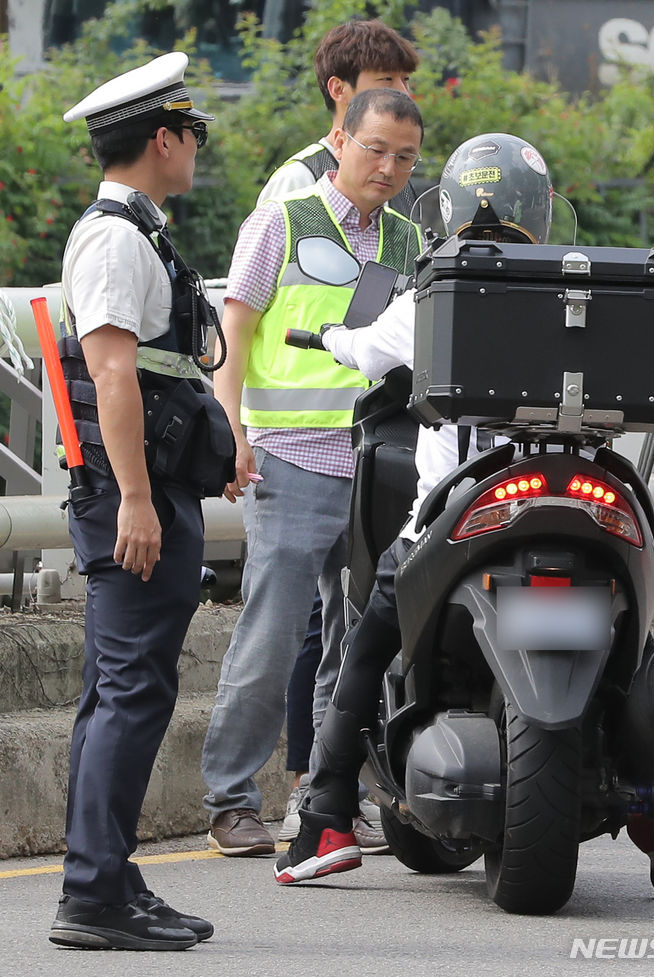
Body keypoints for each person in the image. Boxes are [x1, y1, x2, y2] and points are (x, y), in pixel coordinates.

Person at [273, 133, 654, 901]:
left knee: (367, 638)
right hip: (589, 498)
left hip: (468, 506)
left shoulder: (435, 287)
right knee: (633, 646)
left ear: (450, 203)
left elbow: (366, 352)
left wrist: (331, 335)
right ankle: (651, 800)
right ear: (537, 211)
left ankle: (327, 819)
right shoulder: (599, 292)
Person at [201, 87, 424, 858]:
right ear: (339, 138)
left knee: (359, 644)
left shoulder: (409, 240)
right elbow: (231, 334)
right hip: (290, 458)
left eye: (404, 156)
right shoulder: (282, 221)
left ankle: (326, 793)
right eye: (374, 149)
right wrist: (230, 430)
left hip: (379, 465)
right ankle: (230, 798)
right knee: (271, 635)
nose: (388, 167)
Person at [49, 52, 235, 950]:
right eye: (191, 133)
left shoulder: (136, 228)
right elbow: (114, 373)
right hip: (134, 494)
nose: (197, 147)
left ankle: (111, 877)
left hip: (153, 486)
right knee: (130, 693)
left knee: (119, 692)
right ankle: (92, 894)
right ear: (162, 138)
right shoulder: (117, 240)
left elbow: (160, 374)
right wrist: (134, 500)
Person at [257, 17, 420, 847]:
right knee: (308, 626)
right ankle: (297, 787)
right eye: (386, 85)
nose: (400, 110)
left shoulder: (399, 208)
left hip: (367, 438)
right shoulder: (294, 188)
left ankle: (333, 787)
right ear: (341, 97)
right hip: (298, 439)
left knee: (348, 624)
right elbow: (253, 301)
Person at [258, 18, 419, 218]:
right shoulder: (299, 178)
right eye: (387, 79)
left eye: (406, 80)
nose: (403, 93)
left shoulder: (400, 184)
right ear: (338, 89)